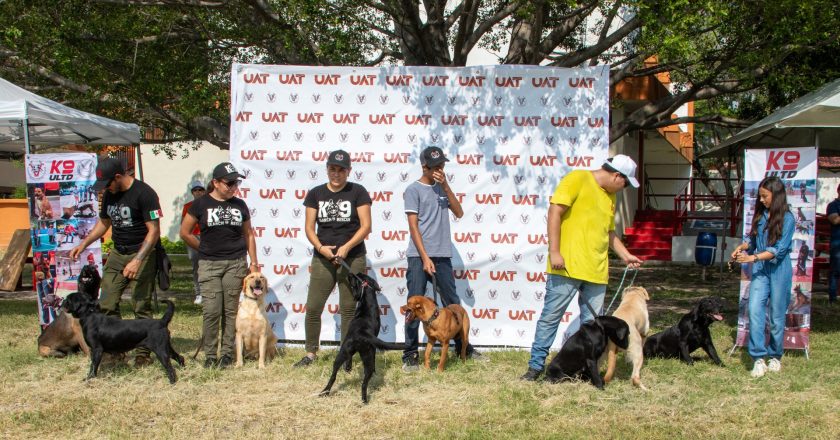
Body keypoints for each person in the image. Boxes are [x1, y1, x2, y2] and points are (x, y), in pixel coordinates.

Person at [521, 154, 643, 381]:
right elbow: (554, 212)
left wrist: (625, 255)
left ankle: (587, 371)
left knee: (592, 327)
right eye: (625, 183)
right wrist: (554, 251)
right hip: (566, 267)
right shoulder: (577, 178)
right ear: (617, 176)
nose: (624, 188)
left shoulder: (610, 197)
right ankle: (535, 367)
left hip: (597, 271)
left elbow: (608, 232)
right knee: (551, 317)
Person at [69, 157, 162, 367]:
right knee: (107, 302)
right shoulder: (110, 195)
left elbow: (154, 231)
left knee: (141, 304)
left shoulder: (144, 193)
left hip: (142, 252)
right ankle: (116, 347)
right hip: (118, 253)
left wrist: (138, 260)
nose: (106, 189)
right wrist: (84, 244)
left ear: (118, 177)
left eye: (108, 184)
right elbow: (104, 224)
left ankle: (143, 353)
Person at [401, 146, 485, 372]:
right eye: (435, 166)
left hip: (443, 256)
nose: (439, 170)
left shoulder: (442, 189)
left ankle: (463, 348)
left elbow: (459, 212)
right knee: (413, 307)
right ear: (424, 167)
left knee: (453, 303)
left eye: (442, 166)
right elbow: (413, 227)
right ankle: (410, 355)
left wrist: (446, 185)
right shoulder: (413, 190)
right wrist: (425, 257)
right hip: (419, 257)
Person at [294, 150, 372, 368]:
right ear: (327, 169)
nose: (336, 174)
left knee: (348, 309)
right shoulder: (315, 193)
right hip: (323, 258)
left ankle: (345, 355)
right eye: (332, 169)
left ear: (349, 170)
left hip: (352, 257)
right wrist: (320, 247)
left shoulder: (358, 191)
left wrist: (347, 246)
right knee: (313, 307)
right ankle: (310, 353)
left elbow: (366, 226)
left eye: (341, 169)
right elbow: (309, 228)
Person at [180, 162, 258, 369]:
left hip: (236, 263)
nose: (234, 187)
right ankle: (210, 354)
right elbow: (185, 232)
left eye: (236, 183)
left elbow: (248, 234)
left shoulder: (240, 205)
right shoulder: (200, 204)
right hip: (209, 264)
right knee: (212, 311)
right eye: (229, 183)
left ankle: (226, 354)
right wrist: (203, 247)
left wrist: (254, 263)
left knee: (230, 310)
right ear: (215, 182)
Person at [731, 176, 795, 378]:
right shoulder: (760, 215)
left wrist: (752, 258)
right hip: (760, 271)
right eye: (760, 196)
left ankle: (775, 355)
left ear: (776, 196)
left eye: (765, 196)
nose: (761, 200)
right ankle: (758, 358)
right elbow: (752, 238)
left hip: (779, 270)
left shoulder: (789, 219)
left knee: (776, 316)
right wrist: (742, 247)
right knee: (755, 311)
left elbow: (779, 250)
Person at [181, 180, 207, 305]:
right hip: (192, 236)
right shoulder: (187, 206)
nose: (198, 192)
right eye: (195, 190)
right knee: (196, 265)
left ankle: (208, 292)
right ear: (192, 192)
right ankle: (198, 293)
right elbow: (184, 225)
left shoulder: (209, 204)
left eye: (200, 189)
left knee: (208, 264)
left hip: (206, 236)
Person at [826, 183, 840, 304]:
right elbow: (835, 220)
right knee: (835, 270)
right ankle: (833, 298)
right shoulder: (833, 205)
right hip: (838, 242)